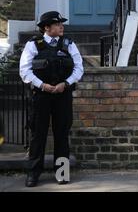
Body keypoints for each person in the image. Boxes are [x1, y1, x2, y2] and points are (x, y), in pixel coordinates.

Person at [19, 11, 84, 187]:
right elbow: (24, 70)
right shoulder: (33, 45)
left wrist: (66, 83)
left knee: (61, 134)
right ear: (46, 28)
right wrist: (42, 85)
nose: (61, 26)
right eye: (57, 24)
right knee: (37, 135)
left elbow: (79, 68)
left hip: (63, 94)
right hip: (40, 96)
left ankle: (62, 173)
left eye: (61, 23)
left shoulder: (69, 44)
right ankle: (33, 174)